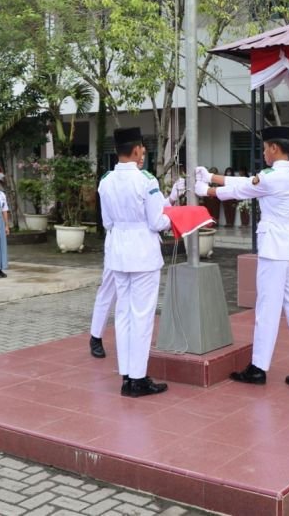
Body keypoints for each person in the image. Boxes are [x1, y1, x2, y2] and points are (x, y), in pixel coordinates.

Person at [194, 126, 289, 391]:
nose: (263, 152)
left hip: (275, 251)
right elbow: (248, 182)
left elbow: (244, 188)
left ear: (273, 148)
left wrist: (208, 191)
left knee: (267, 310)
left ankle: (258, 368)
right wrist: (212, 176)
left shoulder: (272, 176)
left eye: (265, 147)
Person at [88, 147, 183, 360]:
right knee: (110, 291)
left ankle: (128, 367)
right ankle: (96, 335)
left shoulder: (119, 179)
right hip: (126, 246)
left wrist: (172, 197)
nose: (142, 157)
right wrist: (178, 217)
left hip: (121, 244)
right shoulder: (141, 180)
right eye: (141, 152)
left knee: (124, 308)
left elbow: (151, 210)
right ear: (133, 152)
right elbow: (155, 219)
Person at [99, 127, 172, 397]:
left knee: (123, 315)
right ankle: (138, 379)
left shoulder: (105, 181)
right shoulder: (147, 181)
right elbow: (157, 221)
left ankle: (127, 376)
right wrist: (172, 218)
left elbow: (106, 222)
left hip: (118, 253)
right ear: (137, 150)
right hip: (142, 254)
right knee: (142, 316)